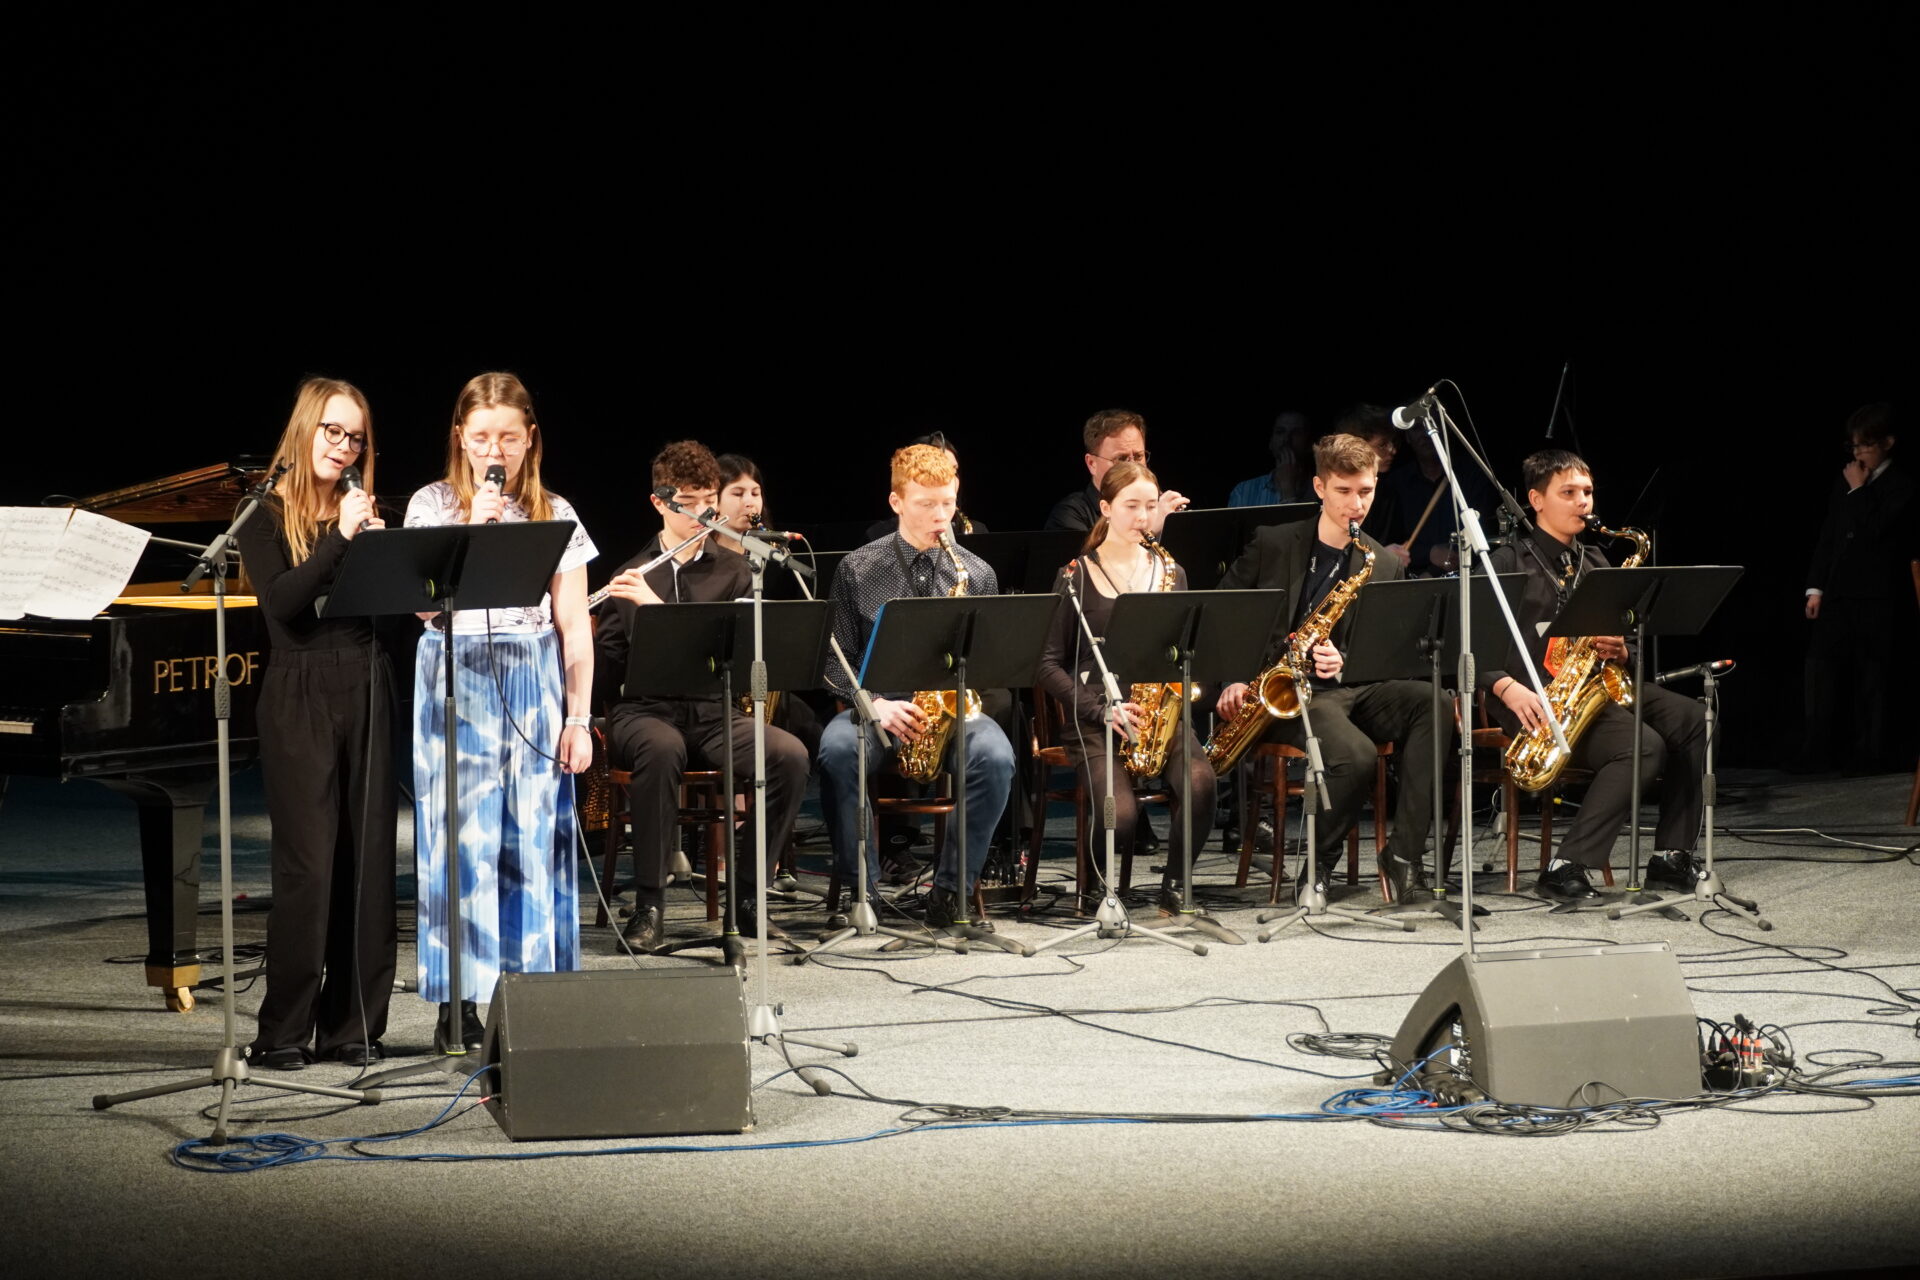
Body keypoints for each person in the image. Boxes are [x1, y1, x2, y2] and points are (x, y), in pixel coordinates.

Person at [404, 372, 596, 1053]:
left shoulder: (555, 511)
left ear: (530, 439)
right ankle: (458, 998)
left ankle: (530, 996)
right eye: (482, 437)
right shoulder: (430, 505)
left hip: (532, 676)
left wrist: (579, 718)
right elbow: (423, 607)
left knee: (531, 839)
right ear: (461, 438)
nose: (495, 450)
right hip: (455, 673)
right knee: (461, 840)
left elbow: (575, 624)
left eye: (508, 438)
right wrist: (471, 530)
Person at [593, 441, 810, 950]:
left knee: (789, 754)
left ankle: (748, 898)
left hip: (713, 711)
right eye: (686, 503)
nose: (700, 514)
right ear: (658, 502)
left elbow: (735, 654)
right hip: (644, 711)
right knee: (661, 747)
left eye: (708, 501)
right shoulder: (632, 573)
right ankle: (649, 905)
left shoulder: (734, 571)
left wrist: (656, 612)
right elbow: (609, 666)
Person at [237, 377, 396, 1070]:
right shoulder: (261, 511)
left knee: (367, 861)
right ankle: (283, 1033)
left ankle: (352, 1026)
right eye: (333, 431)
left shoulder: (366, 513)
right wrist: (341, 538)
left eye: (356, 437)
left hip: (366, 681)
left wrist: (386, 560)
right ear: (306, 429)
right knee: (308, 866)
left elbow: (384, 614)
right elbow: (283, 606)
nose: (344, 446)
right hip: (298, 688)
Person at [1215, 432, 1446, 905]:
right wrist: (1234, 677)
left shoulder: (1383, 562)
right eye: (1344, 491)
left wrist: (1347, 661)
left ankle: (1404, 855)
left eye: (1366, 491)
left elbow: (1389, 652)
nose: (1356, 505)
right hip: (1289, 694)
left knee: (1435, 703)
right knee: (1356, 756)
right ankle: (1318, 864)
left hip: (1352, 687)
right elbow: (1224, 613)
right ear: (1320, 487)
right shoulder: (1274, 543)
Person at [1484, 449, 1707, 901]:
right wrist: (1506, 688)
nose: (1583, 502)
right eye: (1568, 493)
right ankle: (1566, 865)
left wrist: (1623, 650)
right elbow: (1467, 641)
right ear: (1536, 500)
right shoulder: (1506, 562)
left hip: (1594, 687)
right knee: (1641, 746)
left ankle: (1671, 857)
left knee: (1692, 718)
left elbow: (1631, 645)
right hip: (1529, 698)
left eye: (1587, 492)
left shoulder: (1597, 563)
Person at [817, 443, 1016, 928]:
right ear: (897, 502)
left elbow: (990, 667)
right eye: (927, 504)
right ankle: (862, 893)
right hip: (876, 710)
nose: (941, 516)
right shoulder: (857, 568)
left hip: (950, 711)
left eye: (948, 503)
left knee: (997, 757)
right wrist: (875, 704)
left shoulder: (977, 573)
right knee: (837, 751)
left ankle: (950, 892)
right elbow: (833, 662)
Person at [1037, 461, 1215, 913]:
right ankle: (1100, 890)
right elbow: (1046, 664)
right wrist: (1099, 711)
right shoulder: (1076, 575)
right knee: (1122, 814)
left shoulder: (1171, 572)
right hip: (1097, 715)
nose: (1142, 517)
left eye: (1150, 507)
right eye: (1131, 506)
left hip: (1155, 713)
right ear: (1106, 508)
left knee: (1200, 783)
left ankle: (1175, 887)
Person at [1800, 404, 1914, 774]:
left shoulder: (1900, 485)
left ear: (1887, 443)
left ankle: (1870, 754)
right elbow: (1829, 535)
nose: (1858, 453)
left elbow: (1878, 531)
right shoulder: (1847, 480)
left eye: (1866, 445)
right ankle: (1816, 750)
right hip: (1838, 591)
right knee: (1820, 668)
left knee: (1872, 675)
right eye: (1854, 445)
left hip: (1877, 595)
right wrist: (1815, 588)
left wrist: (1859, 490)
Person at [1378, 419, 1498, 576]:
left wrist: (1434, 570)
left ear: (1444, 430)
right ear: (1407, 437)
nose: (1425, 434)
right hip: (1409, 578)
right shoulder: (1396, 483)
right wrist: (1428, 553)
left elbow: (1484, 533)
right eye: (1417, 428)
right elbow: (1389, 545)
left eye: (1431, 424)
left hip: (1468, 575)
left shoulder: (1472, 477)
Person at [1043, 409, 1190, 534]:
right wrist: (1151, 529)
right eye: (1121, 459)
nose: (1133, 467)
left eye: (1138, 456)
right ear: (1092, 463)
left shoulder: (1157, 505)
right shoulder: (1070, 515)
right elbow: (1094, 559)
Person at [1228, 411, 1313, 508]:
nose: (1286, 439)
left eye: (1296, 433)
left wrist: (1288, 491)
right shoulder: (1243, 491)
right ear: (1271, 443)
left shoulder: (1321, 490)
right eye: (1280, 432)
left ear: (1309, 444)